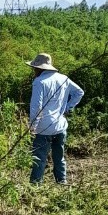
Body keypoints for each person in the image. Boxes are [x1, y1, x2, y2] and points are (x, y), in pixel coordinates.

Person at [27, 53, 84, 185]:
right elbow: (79, 92)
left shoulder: (39, 82)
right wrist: (67, 108)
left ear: (39, 68)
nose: (34, 71)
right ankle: (62, 182)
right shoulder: (64, 78)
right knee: (59, 157)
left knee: (39, 158)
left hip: (43, 128)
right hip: (60, 126)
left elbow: (36, 107)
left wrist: (32, 127)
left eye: (34, 68)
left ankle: (35, 186)